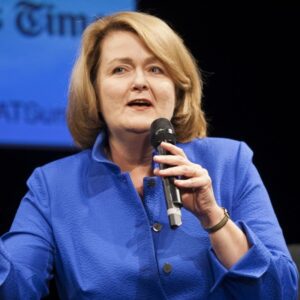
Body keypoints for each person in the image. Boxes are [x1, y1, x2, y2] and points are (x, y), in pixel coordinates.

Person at [0, 11, 298, 299]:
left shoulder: (229, 162)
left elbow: (281, 292)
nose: (139, 82)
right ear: (93, 91)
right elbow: (14, 289)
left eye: (156, 69)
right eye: (120, 69)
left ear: (178, 88)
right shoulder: (52, 186)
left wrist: (213, 217)